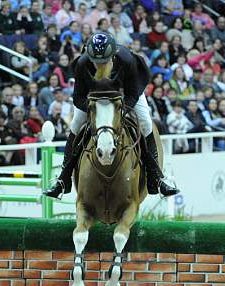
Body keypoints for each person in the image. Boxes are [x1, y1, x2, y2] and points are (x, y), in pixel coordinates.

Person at [44, 32, 179, 199]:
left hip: (126, 95)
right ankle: (63, 180)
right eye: (96, 61)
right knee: (75, 125)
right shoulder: (83, 63)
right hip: (93, 98)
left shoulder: (127, 60)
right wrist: (93, 109)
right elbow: (78, 97)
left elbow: (132, 93)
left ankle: (157, 178)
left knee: (145, 123)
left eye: (104, 62)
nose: (99, 65)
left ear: (113, 55)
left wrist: (121, 110)